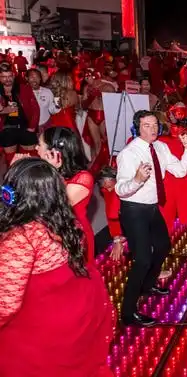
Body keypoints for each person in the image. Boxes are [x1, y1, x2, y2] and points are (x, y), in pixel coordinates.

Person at [0, 158, 113, 376]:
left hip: (41, 335)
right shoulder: (66, 221)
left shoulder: (21, 237)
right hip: (76, 319)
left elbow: (5, 305)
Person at [115, 110, 187, 327]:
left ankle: (148, 285)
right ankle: (128, 313)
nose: (152, 129)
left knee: (162, 246)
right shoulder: (129, 154)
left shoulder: (160, 147)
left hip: (152, 207)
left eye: (154, 125)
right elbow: (120, 190)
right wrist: (138, 180)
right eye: (146, 125)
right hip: (133, 209)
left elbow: (179, 171)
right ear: (137, 129)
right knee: (142, 260)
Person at [35, 127, 96, 264]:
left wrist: (51, 172)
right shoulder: (44, 169)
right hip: (48, 235)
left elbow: (52, 207)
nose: (35, 148)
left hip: (73, 236)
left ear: (55, 151)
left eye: (40, 145)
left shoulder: (83, 178)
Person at [0, 62, 40, 165]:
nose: (7, 79)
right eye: (3, 77)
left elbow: (35, 109)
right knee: (11, 162)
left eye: (9, 76)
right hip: (7, 129)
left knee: (31, 160)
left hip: (25, 127)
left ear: (13, 75)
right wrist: (4, 110)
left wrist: (32, 127)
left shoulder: (24, 88)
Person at [98, 166, 124, 262]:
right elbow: (111, 216)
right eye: (105, 188)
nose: (108, 190)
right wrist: (117, 238)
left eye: (110, 187)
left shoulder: (122, 186)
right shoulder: (106, 191)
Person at [27, 68, 59, 132]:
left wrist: (58, 104)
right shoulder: (23, 92)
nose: (34, 80)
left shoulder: (47, 91)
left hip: (45, 126)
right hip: (28, 127)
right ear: (27, 78)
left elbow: (52, 110)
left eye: (37, 77)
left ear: (40, 78)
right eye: (31, 77)